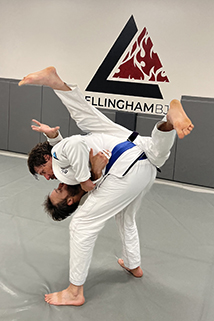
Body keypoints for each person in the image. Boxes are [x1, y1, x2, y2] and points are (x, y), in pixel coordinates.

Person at [19, 66, 194, 306]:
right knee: (123, 216)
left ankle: (76, 290)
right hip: (138, 153)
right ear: (70, 200)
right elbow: (67, 156)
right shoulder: (78, 175)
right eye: (57, 188)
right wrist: (90, 173)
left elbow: (68, 151)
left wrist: (76, 168)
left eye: (44, 173)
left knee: (83, 225)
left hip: (135, 164)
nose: (52, 180)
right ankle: (165, 125)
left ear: (46, 159)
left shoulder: (67, 167)